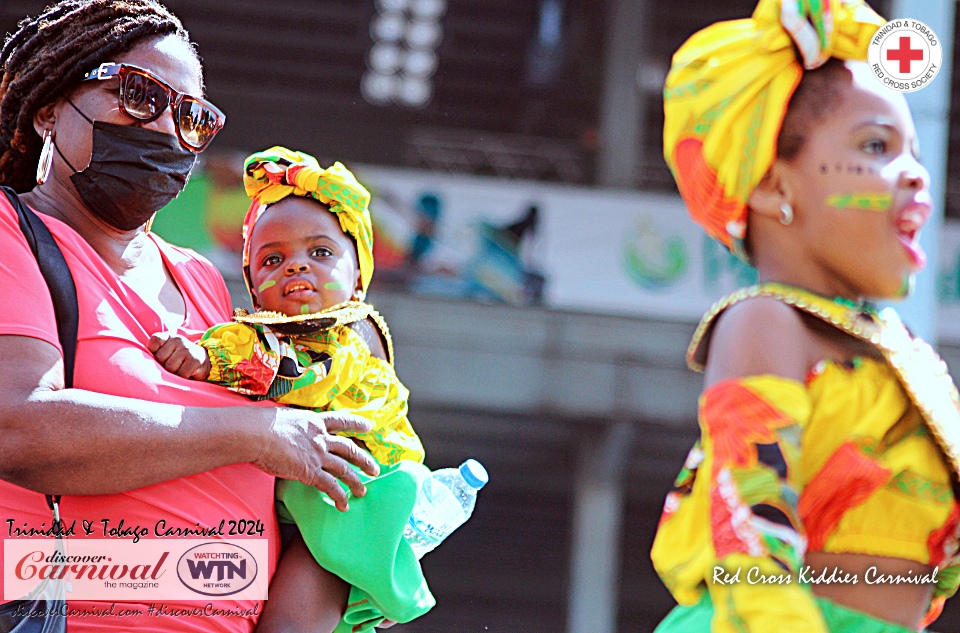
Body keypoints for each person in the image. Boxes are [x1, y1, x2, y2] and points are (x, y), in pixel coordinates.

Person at [0, 2, 379, 632]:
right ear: (48, 110)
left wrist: (360, 561)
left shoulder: (201, 277)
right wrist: (256, 434)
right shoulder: (13, 234)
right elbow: (15, 426)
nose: (165, 129)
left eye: (191, 116)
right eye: (138, 94)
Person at [650, 1, 960, 631]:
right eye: (877, 146)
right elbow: (749, 531)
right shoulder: (768, 323)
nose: (918, 179)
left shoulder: (903, 355)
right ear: (773, 187)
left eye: (914, 152)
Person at [149, 147, 432, 632]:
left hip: (349, 496)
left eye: (320, 252)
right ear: (253, 285)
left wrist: (206, 358)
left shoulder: (349, 329)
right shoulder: (269, 330)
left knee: (298, 605)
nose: (296, 267)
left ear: (359, 272)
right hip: (302, 496)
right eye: (273, 258)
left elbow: (302, 373)